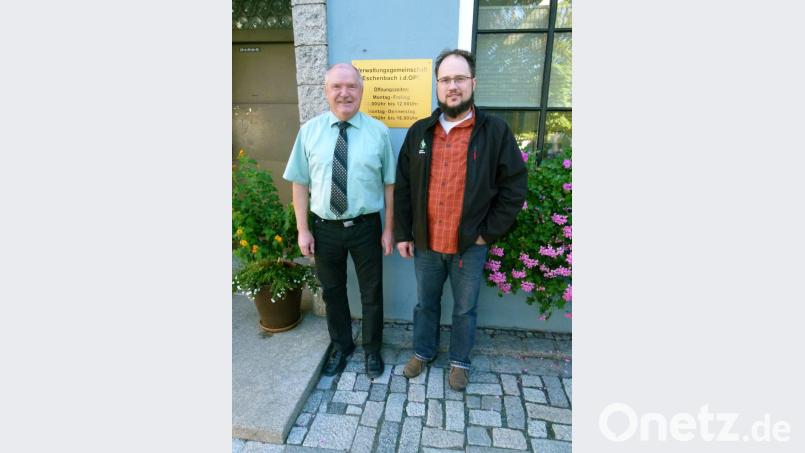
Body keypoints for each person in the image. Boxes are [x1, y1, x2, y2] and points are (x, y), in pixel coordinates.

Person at [394, 49, 527, 390]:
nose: (452, 86)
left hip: (469, 244)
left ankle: (459, 362)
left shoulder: (494, 131)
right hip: (426, 242)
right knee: (426, 304)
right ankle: (423, 352)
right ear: (437, 86)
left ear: (473, 83)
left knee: (465, 309)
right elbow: (405, 186)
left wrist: (487, 234)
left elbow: (514, 187)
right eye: (446, 80)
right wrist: (403, 233)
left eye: (459, 79)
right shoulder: (419, 132)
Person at [283, 63, 395, 378]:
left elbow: (390, 184)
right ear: (326, 91)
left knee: (372, 293)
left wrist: (389, 229)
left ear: (361, 91)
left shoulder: (378, 132)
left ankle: (372, 350)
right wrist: (303, 229)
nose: (344, 93)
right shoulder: (309, 132)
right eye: (336, 87)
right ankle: (341, 346)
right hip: (324, 229)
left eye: (351, 87)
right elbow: (299, 183)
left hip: (365, 227)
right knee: (332, 292)